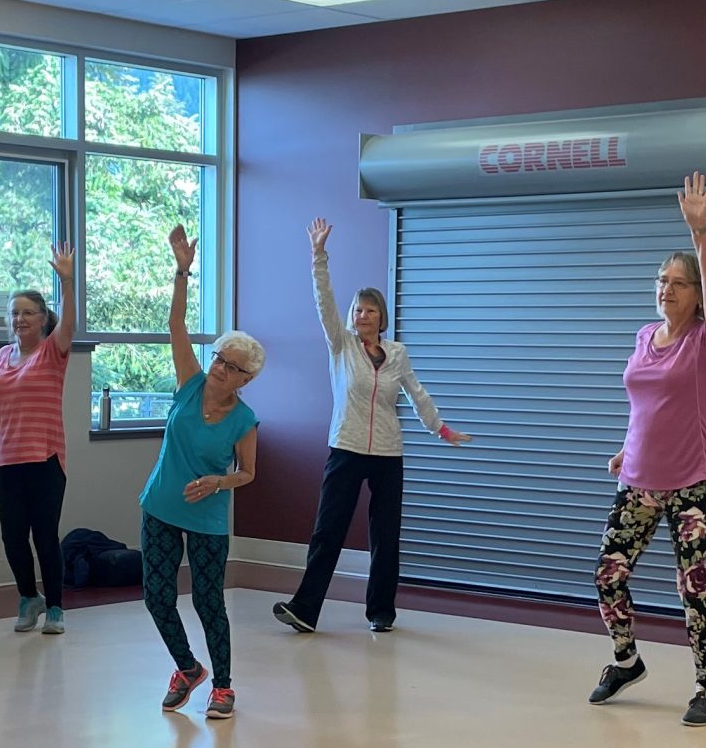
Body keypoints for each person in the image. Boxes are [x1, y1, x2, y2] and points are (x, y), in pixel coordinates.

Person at [272, 217, 469, 637]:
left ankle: (381, 612)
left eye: (370, 310)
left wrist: (441, 429)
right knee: (328, 531)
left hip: (387, 453)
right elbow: (324, 301)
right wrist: (318, 257)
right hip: (345, 446)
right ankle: (305, 609)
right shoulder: (340, 345)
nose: (362, 315)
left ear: (381, 317)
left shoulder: (396, 353)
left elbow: (417, 393)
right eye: (357, 309)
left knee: (386, 535)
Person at [588, 172, 706, 726]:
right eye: (662, 280)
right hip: (639, 479)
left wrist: (701, 233)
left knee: (692, 586)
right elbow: (643, 406)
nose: (667, 289)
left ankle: (705, 688)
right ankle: (626, 660)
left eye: (678, 282)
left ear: (696, 295)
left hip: (692, 480)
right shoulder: (645, 336)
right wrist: (628, 451)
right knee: (609, 574)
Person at [139, 222, 261, 720]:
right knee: (157, 597)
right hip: (161, 506)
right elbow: (176, 326)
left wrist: (219, 481)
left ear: (246, 379)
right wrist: (182, 272)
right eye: (219, 359)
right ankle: (188, 668)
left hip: (208, 517)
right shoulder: (188, 383)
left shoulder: (245, 419)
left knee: (209, 601)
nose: (219, 369)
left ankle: (224, 687)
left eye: (231, 367)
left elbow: (248, 473)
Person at [0, 245, 75, 636]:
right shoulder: (4, 355)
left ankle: (55, 606)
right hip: (4, 460)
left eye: (28, 312)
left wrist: (67, 282)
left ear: (43, 320)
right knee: (11, 536)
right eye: (15, 313)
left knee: (44, 534)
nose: (19, 318)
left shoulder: (52, 351)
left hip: (45, 457)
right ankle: (28, 597)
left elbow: (70, 322)